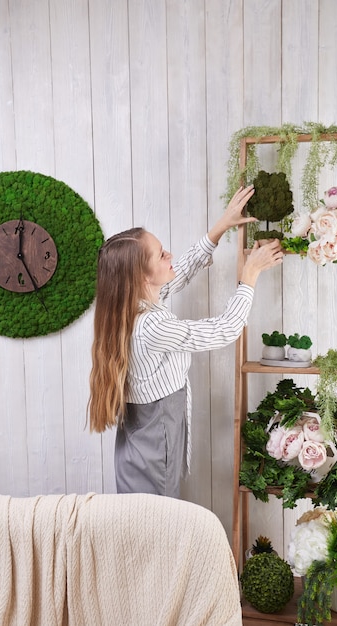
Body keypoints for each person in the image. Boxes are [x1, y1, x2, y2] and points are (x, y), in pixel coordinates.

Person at [88, 185, 284, 497]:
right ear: (142, 276)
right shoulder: (151, 325)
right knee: (160, 522)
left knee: (148, 521)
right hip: (155, 440)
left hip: (141, 439)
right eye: (161, 254)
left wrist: (221, 226)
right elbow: (224, 329)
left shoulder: (133, 303)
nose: (170, 255)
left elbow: (182, 271)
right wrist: (251, 274)